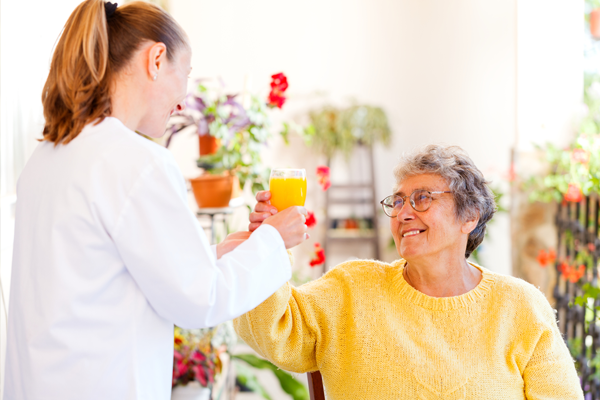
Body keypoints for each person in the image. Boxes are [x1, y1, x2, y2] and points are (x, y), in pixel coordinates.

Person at [4, 1, 307, 400]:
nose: (183, 101)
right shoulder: (138, 162)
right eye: (187, 74)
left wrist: (216, 254)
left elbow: (105, 271)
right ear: (157, 59)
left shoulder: (48, 158)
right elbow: (201, 300)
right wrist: (272, 239)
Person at [235, 144, 584, 399]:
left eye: (422, 199)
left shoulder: (520, 305)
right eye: (398, 201)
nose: (403, 213)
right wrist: (267, 245)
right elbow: (274, 330)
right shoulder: (352, 288)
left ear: (470, 216)